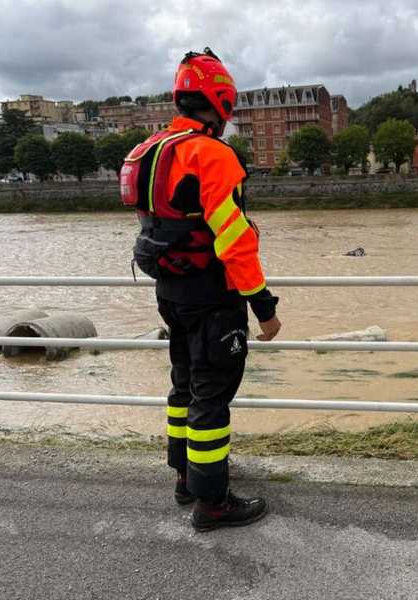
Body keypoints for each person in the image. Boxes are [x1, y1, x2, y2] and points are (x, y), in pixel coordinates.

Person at [120, 48, 281, 531]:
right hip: (212, 295)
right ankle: (213, 503)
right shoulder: (211, 155)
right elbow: (234, 239)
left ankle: (186, 478)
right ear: (222, 101)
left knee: (184, 383)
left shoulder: (149, 149)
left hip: (169, 290)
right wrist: (264, 306)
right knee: (212, 393)